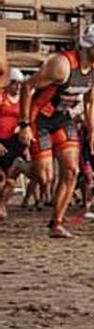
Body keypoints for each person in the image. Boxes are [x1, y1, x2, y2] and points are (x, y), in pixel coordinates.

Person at [19, 24, 94, 238]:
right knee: (44, 176)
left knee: (71, 171)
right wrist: (24, 125)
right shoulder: (62, 65)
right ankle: (20, 166)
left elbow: (89, 103)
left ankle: (56, 222)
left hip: (62, 119)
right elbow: (27, 87)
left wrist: (93, 133)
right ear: (86, 47)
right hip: (40, 117)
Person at [0, 69, 26, 218]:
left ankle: (2, 205)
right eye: (14, 83)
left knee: (11, 180)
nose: (17, 86)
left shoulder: (23, 100)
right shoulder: (2, 97)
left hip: (14, 142)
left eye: (20, 84)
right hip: (1, 140)